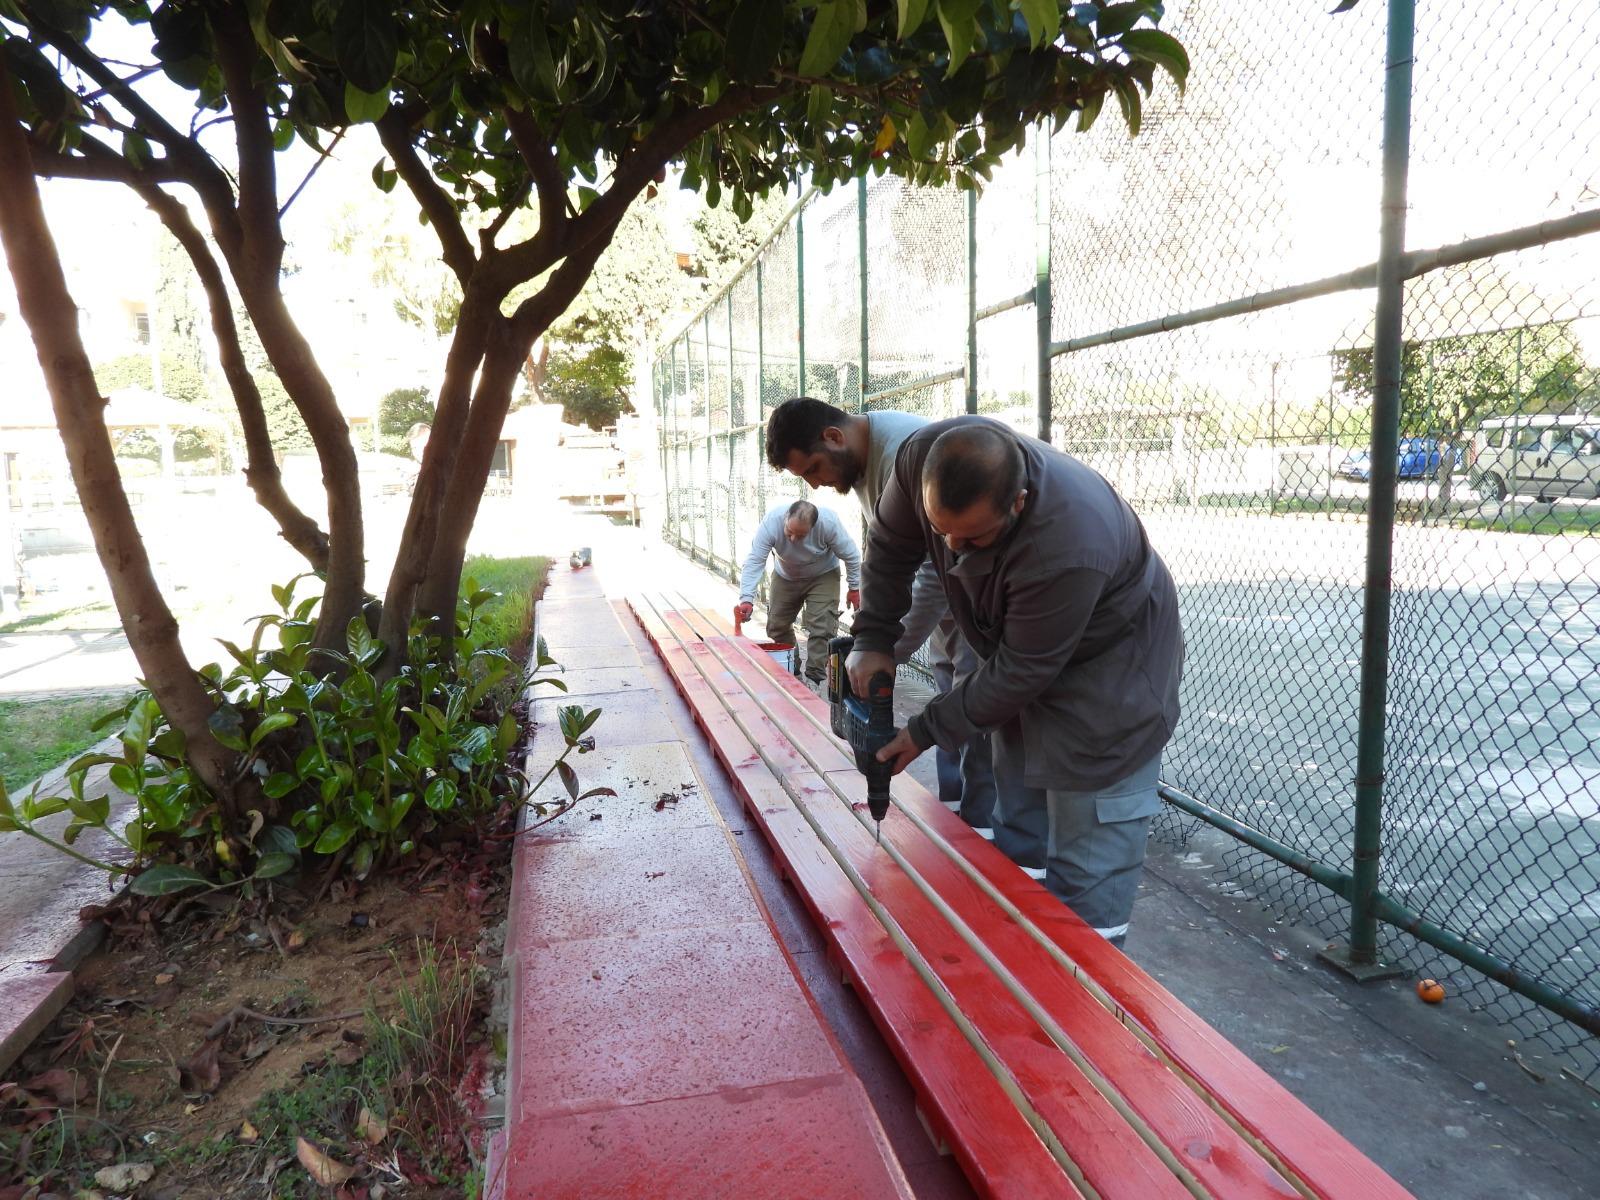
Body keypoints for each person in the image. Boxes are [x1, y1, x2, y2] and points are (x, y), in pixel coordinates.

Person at [847, 417, 1184, 948]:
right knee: (1017, 834)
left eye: (974, 538)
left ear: (1019, 503)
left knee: (1084, 871)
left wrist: (923, 731)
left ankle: (1081, 1004)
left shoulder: (1070, 541)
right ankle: (1018, 982)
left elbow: (1023, 672)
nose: (955, 551)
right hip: (1019, 651)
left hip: (1109, 675)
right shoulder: (918, 462)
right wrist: (872, 639)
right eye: (942, 533)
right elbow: (889, 547)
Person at [764, 397, 996, 834]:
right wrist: (871, 641)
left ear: (834, 437)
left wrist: (885, 652)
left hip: (978, 598)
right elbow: (885, 560)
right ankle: (951, 811)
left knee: (972, 703)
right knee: (948, 689)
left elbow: (932, 567)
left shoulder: (903, 450)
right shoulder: (865, 464)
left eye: (813, 468)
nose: (815, 485)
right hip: (952, 595)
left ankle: (979, 833)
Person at [736, 499, 861, 685]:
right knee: (776, 626)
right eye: (789, 532)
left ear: (813, 527)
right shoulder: (772, 522)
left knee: (822, 626)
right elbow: (755, 560)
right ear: (785, 518)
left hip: (823, 574)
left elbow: (851, 555)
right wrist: (746, 598)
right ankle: (792, 671)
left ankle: (814, 679)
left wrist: (854, 588)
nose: (793, 539)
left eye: (801, 535)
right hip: (786, 574)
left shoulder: (828, 524)